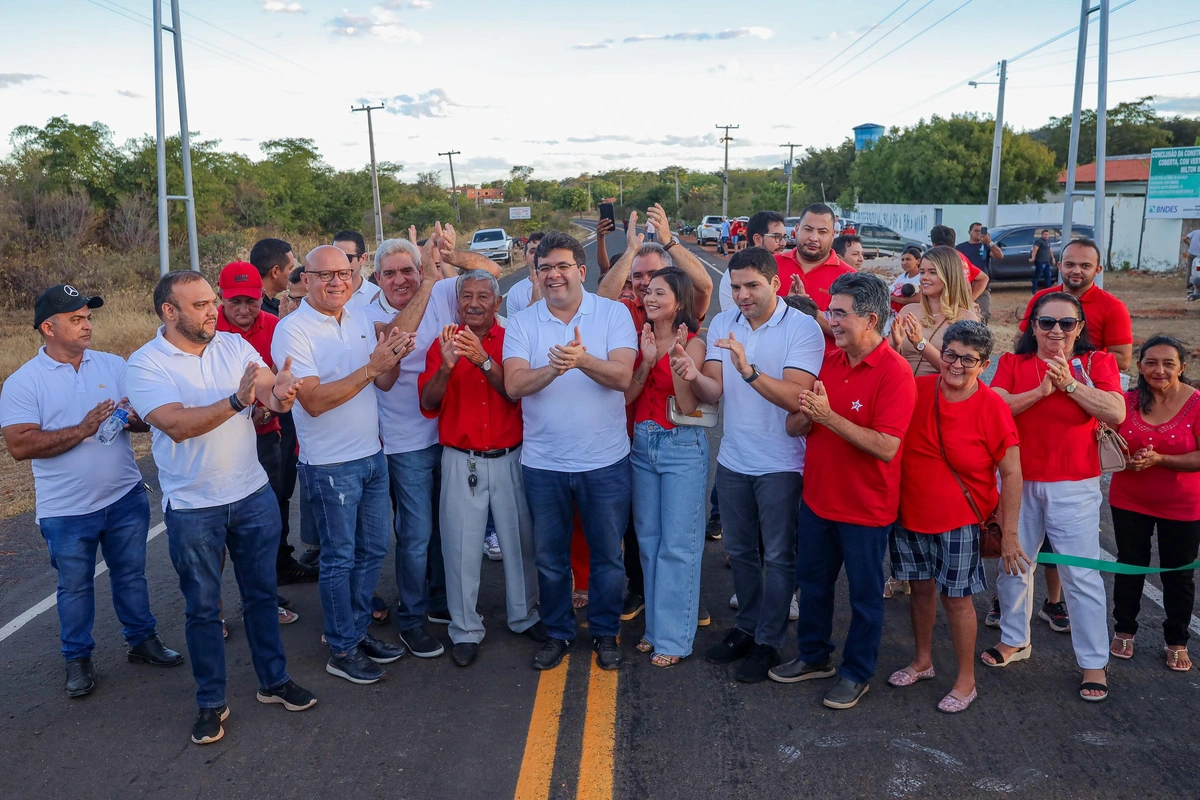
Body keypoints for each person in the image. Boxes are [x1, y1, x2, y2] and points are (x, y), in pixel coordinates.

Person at [126, 271, 315, 745]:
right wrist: (236, 401)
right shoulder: (147, 364)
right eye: (201, 305)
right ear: (169, 312)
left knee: (261, 598)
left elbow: (269, 392)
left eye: (213, 301)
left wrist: (283, 392)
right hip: (193, 508)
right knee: (203, 609)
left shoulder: (234, 347)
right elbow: (176, 424)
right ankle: (211, 701)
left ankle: (274, 682)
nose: (214, 310)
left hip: (251, 494)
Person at [0, 284, 184, 699]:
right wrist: (83, 429)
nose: (87, 326)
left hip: (123, 497)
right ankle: (77, 658)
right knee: (75, 586)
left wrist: (137, 417)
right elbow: (20, 445)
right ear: (48, 327)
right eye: (77, 319)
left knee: (131, 575)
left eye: (89, 317)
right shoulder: (23, 383)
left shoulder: (113, 364)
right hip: (66, 509)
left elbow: (142, 419)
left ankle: (142, 640)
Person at [673, 248, 823, 683]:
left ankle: (769, 642)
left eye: (752, 285)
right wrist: (689, 372)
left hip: (782, 464)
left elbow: (797, 397)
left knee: (777, 557)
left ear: (776, 283)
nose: (742, 295)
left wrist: (749, 370)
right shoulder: (724, 323)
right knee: (739, 552)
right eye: (736, 286)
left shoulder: (803, 328)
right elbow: (714, 391)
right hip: (735, 459)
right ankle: (745, 628)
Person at [272, 245, 415, 685]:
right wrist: (373, 367)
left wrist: (391, 357)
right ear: (305, 280)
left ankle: (355, 629)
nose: (337, 282)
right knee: (339, 557)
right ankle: (342, 647)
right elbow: (312, 402)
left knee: (373, 549)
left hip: (370, 453)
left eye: (344, 273)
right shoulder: (292, 331)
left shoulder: (356, 316)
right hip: (330, 464)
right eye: (325, 275)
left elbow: (385, 381)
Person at [777, 272, 918, 710]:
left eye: (840, 313)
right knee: (813, 584)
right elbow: (795, 425)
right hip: (819, 501)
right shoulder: (829, 361)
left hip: (865, 509)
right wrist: (807, 415)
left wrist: (828, 415)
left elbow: (887, 447)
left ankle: (856, 672)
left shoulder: (894, 374)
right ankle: (814, 656)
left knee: (864, 597)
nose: (830, 320)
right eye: (830, 311)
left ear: (871, 318)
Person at [502, 230, 637, 672]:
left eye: (562, 267)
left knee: (607, 556)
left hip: (605, 461)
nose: (554, 275)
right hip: (544, 464)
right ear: (536, 275)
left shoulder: (613, 314)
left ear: (582, 270)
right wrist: (555, 368)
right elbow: (515, 384)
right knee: (551, 558)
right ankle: (558, 633)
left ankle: (604, 632)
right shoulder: (523, 321)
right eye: (545, 268)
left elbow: (621, 377)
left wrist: (582, 360)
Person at [985, 291, 1125, 701]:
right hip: (1018, 483)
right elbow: (998, 408)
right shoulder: (1012, 364)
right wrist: (1042, 392)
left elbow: (1115, 411)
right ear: (1033, 326)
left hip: (1075, 485)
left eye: (1067, 323)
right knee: (1014, 564)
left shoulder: (1098, 363)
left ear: (1080, 328)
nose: (1057, 331)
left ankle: (1094, 661)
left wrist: (1070, 385)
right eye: (1047, 322)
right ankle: (1015, 639)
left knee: (1080, 576)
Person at [887, 321, 1024, 713]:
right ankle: (923, 660)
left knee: (957, 600)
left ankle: (966, 680)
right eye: (950, 354)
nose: (957, 365)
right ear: (939, 352)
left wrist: (1010, 533)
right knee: (920, 590)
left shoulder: (992, 406)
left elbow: (1012, 472)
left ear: (984, 365)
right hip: (910, 513)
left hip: (961, 521)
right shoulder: (917, 388)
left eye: (969, 359)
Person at [418, 270, 545, 667]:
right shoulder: (443, 344)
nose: (474, 303)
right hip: (462, 459)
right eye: (467, 296)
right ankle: (465, 629)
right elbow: (428, 403)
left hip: (510, 456)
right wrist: (447, 367)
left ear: (498, 302)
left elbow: (513, 394)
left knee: (521, 543)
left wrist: (483, 360)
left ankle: (524, 615)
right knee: (460, 548)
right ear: (458, 303)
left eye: (482, 296)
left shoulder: (514, 340)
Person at [361, 236, 454, 657]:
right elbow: (397, 338)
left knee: (443, 525)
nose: (400, 280)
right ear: (377, 277)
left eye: (408, 271)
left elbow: (487, 274)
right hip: (403, 442)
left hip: (448, 433)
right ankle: (411, 619)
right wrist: (429, 284)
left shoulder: (437, 288)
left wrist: (446, 257)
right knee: (415, 533)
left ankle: (438, 599)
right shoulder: (368, 313)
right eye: (390, 273)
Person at [625, 267, 711, 667]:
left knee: (678, 546)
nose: (649, 297)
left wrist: (677, 362)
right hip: (642, 444)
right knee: (649, 542)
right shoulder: (639, 337)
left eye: (660, 292)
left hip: (679, 445)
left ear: (678, 301)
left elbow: (689, 407)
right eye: (647, 291)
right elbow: (628, 396)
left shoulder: (692, 343)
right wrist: (645, 361)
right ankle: (655, 630)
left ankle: (674, 639)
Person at [215, 262, 317, 589]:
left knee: (274, 502)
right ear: (221, 298)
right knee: (222, 520)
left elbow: (281, 377)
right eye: (235, 302)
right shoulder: (208, 331)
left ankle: (277, 568)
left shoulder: (275, 326)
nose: (244, 310)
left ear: (261, 295)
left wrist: (269, 408)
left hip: (268, 433)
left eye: (251, 301)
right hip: (222, 440)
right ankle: (224, 599)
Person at [1108, 336, 1200, 671]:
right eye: (1150, 362)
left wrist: (1160, 459)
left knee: (1179, 573)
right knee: (1130, 565)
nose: (1158, 370)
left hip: (1183, 504)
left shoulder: (1197, 402)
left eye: (1168, 363)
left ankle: (1176, 640)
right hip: (1129, 499)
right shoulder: (1126, 401)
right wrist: (1122, 457)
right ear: (1139, 365)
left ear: (1182, 368)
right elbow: (1105, 440)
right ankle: (1124, 630)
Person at [1019, 238, 1133, 372]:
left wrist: (1073, 360)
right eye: (1070, 265)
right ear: (1060, 266)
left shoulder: (1113, 307)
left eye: (1085, 266)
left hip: (1088, 382)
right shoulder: (1042, 298)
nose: (1076, 271)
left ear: (1098, 270)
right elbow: (1020, 340)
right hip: (1040, 374)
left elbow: (1123, 360)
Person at [889, 246, 979, 377]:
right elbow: (889, 361)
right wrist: (896, 346)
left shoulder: (966, 318)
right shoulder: (908, 311)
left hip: (938, 392)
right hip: (905, 388)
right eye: (922, 272)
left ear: (949, 276)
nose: (924, 277)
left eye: (932, 272)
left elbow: (957, 371)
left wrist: (920, 343)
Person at [776, 203, 856, 352]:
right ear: (797, 229)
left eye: (822, 232)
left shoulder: (850, 277)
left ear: (833, 235)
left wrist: (811, 311)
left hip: (825, 369)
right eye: (808, 229)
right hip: (770, 364)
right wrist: (782, 306)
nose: (814, 238)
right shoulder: (772, 265)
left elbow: (854, 335)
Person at [718, 211, 788, 312]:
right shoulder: (736, 273)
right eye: (777, 237)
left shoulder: (784, 266)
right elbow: (740, 320)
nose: (783, 243)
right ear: (757, 239)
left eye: (784, 237)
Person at [930, 225, 989, 304]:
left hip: (946, 306)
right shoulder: (961, 257)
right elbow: (983, 278)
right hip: (960, 306)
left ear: (933, 244)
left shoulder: (937, 259)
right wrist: (970, 301)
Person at [956, 223, 1002, 323]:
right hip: (964, 285)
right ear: (969, 232)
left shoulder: (985, 247)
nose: (979, 233)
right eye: (976, 230)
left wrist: (989, 242)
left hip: (982, 286)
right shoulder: (960, 248)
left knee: (983, 314)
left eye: (981, 231)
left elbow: (1000, 256)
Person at [249, 237, 295, 318]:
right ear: (275, 272)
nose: (293, 272)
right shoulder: (256, 313)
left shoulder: (278, 306)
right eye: (290, 268)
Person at [333, 230, 378, 310]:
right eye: (334, 257)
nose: (339, 263)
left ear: (362, 259)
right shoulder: (324, 294)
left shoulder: (378, 297)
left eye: (347, 258)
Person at [504, 232, 545, 315]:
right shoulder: (515, 292)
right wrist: (533, 303)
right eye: (533, 251)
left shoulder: (560, 285)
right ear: (525, 258)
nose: (537, 255)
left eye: (542, 250)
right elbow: (513, 326)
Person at [1030, 229, 1056, 294]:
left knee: (1048, 276)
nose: (1046, 236)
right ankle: (1034, 290)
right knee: (1037, 276)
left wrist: (1053, 258)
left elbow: (1050, 250)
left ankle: (1049, 290)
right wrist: (1033, 257)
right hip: (1040, 262)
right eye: (1045, 234)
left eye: (1047, 234)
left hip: (1047, 262)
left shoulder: (1047, 242)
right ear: (1042, 235)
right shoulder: (1038, 241)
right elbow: (1035, 250)